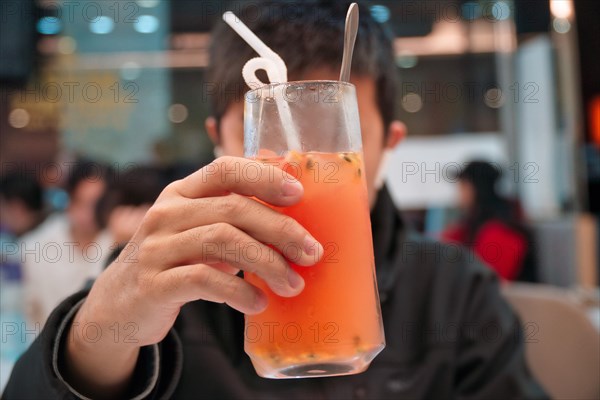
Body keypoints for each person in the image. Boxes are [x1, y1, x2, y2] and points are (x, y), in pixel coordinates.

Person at [5, 2, 546, 399]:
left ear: (387, 146)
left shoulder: (455, 289)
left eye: (333, 131)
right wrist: (99, 330)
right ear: (220, 141)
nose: (304, 154)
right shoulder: (167, 280)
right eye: (272, 136)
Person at [18, 161, 114, 327]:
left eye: (96, 204)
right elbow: (29, 311)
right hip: (48, 345)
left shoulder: (118, 242)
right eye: (80, 202)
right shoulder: (35, 246)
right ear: (69, 199)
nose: (88, 214)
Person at [442, 161, 537, 282]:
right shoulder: (471, 225)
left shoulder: (499, 231)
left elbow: (488, 284)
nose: (458, 193)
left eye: (462, 185)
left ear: (476, 188)